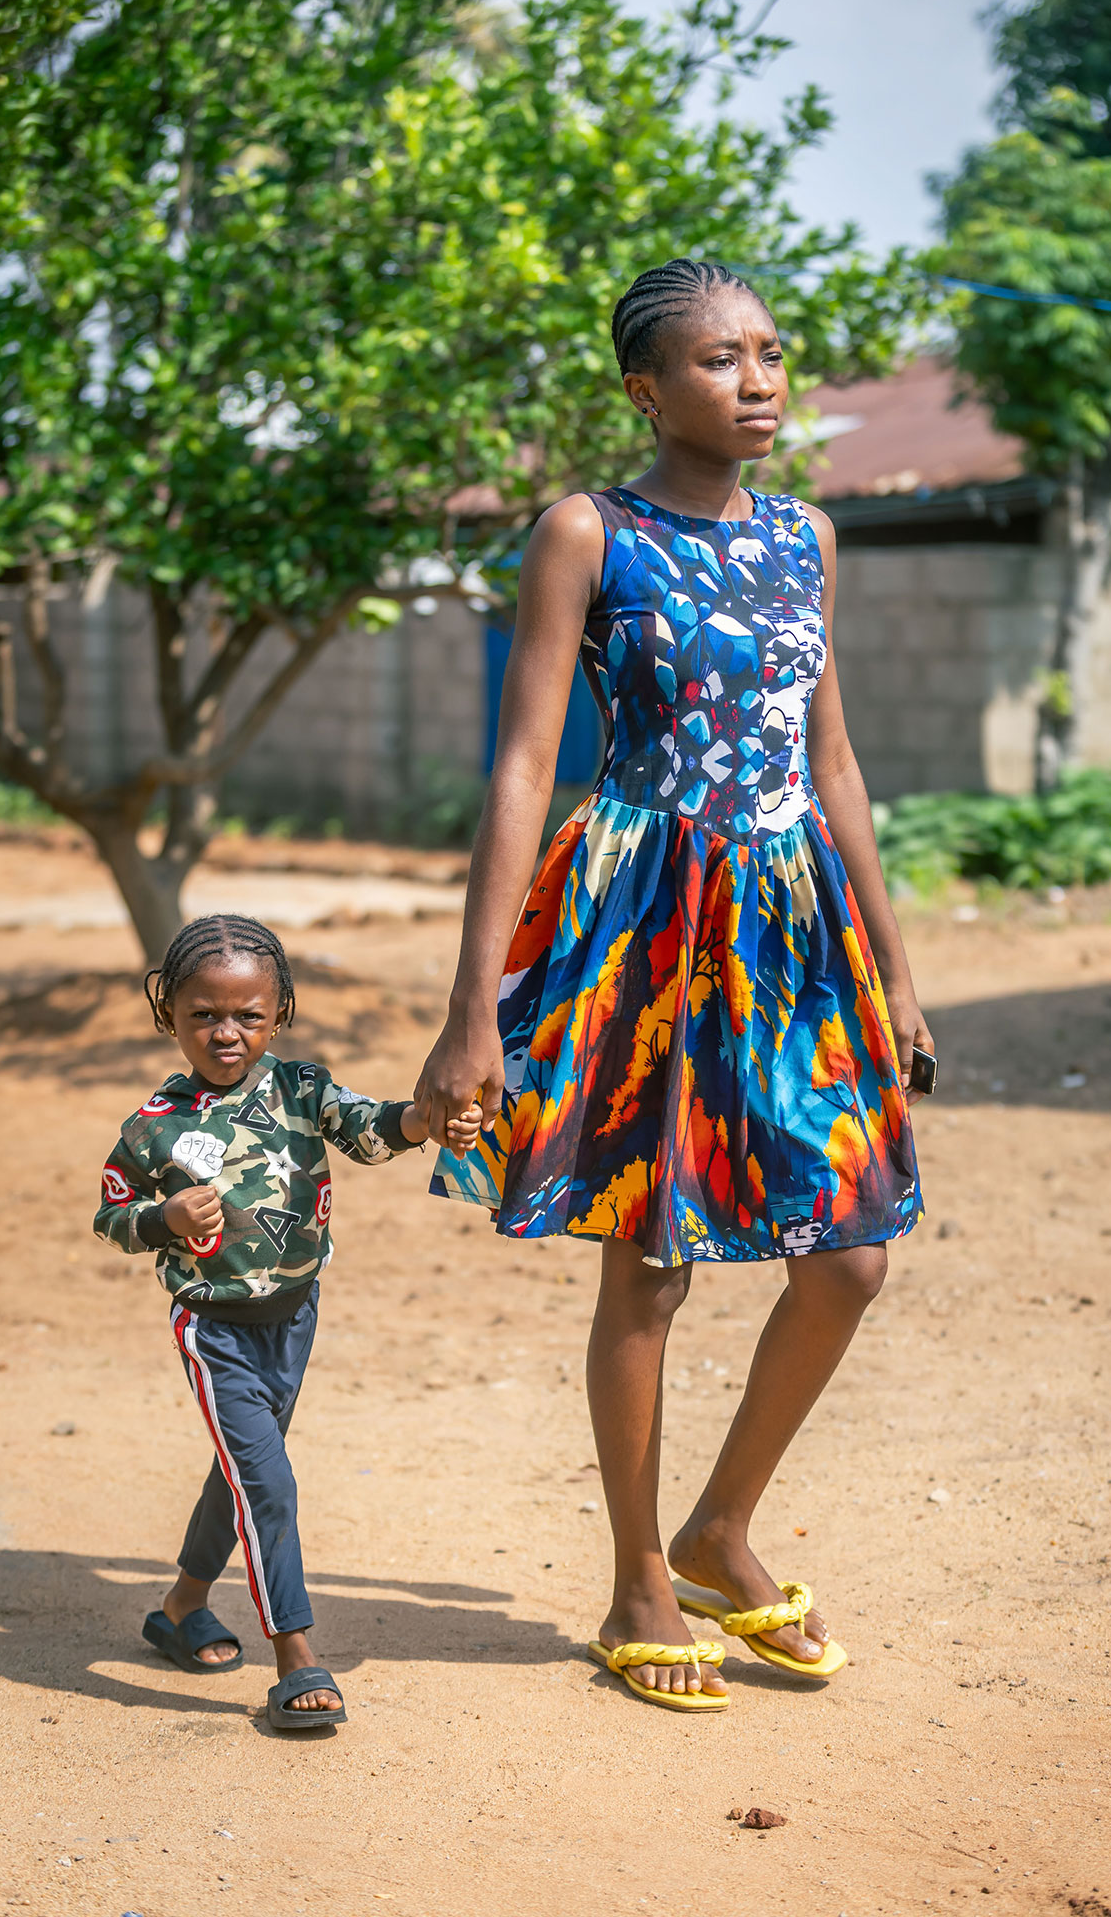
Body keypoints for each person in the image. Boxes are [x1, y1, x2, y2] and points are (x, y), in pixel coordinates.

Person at [416, 256, 933, 1713]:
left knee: (849, 1255)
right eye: (720, 360)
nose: (759, 380)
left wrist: (893, 972)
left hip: (786, 916)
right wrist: (473, 1007)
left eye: (771, 353)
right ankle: (641, 1578)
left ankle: (721, 1529)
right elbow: (525, 763)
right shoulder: (587, 531)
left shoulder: (806, 538)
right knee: (652, 1259)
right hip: (644, 919)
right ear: (647, 389)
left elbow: (830, 761)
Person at [94, 912, 480, 1730]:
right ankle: (297, 1658)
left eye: (248, 1016)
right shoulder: (154, 1126)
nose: (226, 1033)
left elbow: (376, 1131)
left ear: (280, 1012)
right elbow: (112, 1216)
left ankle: (179, 1608)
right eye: (203, 1015)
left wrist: (428, 1120)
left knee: (237, 1472)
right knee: (267, 1481)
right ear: (169, 1014)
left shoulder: (303, 1090)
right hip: (216, 1331)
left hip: (295, 1318)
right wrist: (162, 1217)